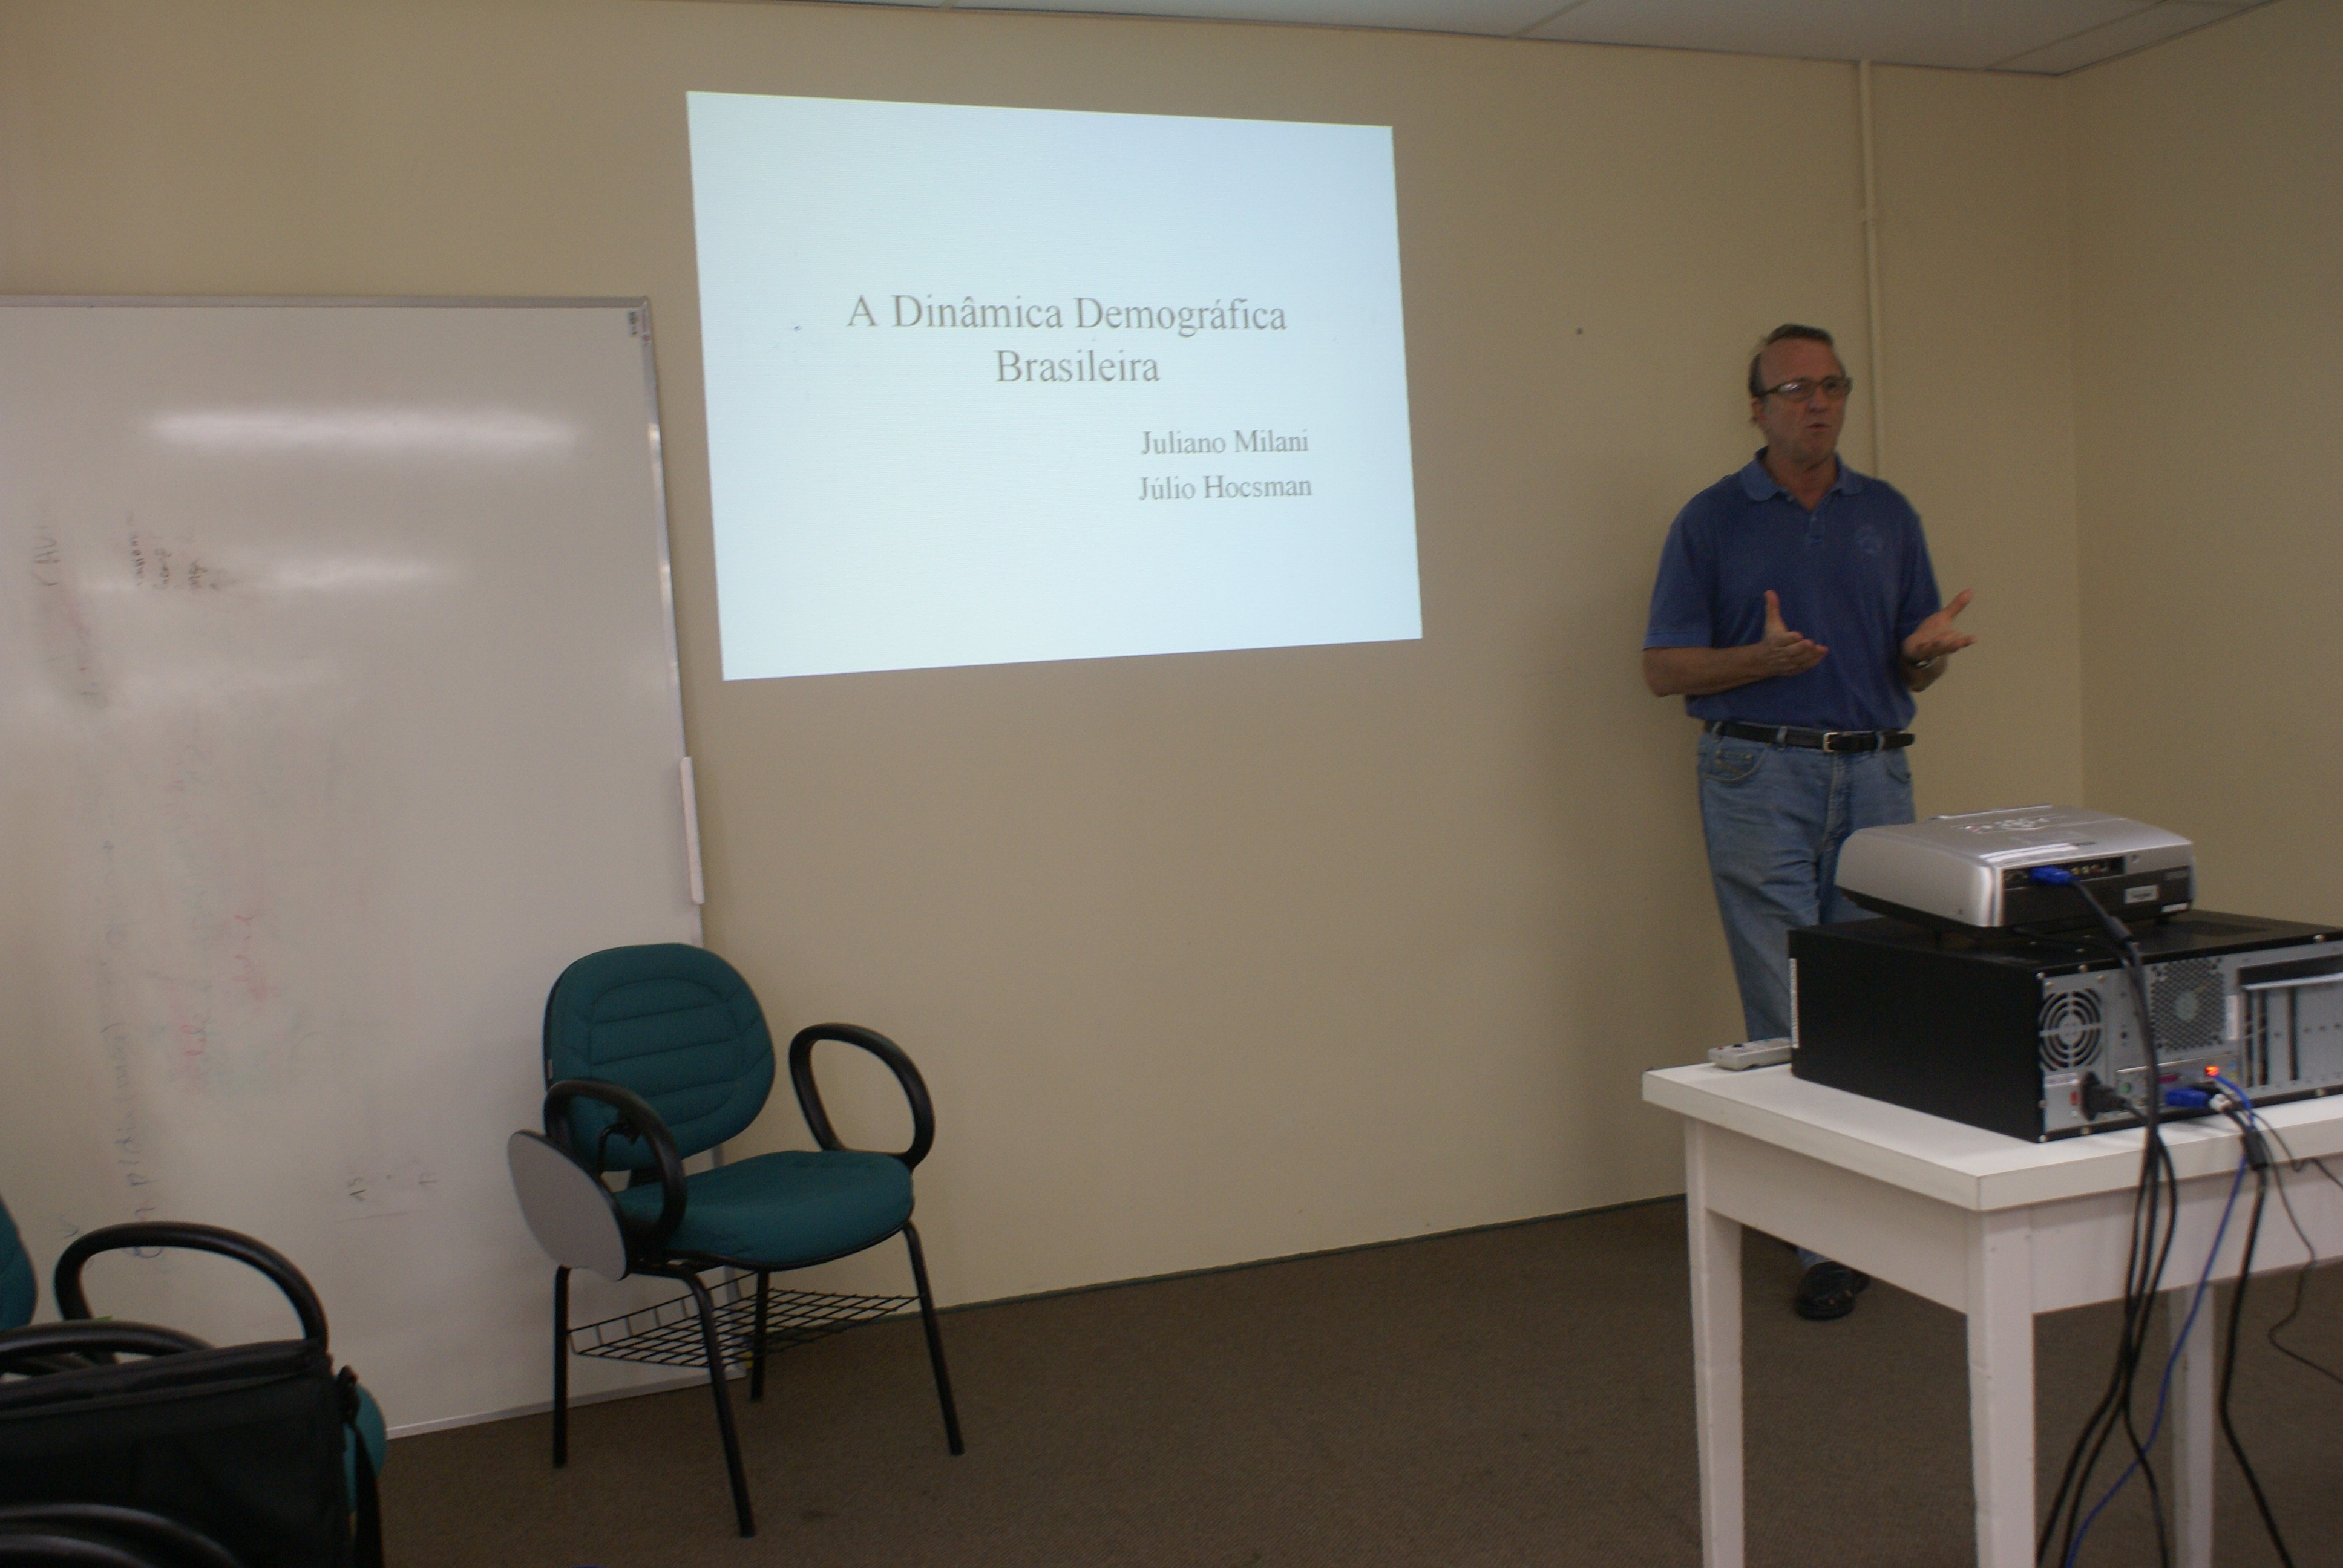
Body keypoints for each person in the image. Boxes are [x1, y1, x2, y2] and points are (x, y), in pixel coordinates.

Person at [1642, 324, 1974, 1320]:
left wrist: (1924, 655)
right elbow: (1662, 670)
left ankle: (1875, 1206)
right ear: (1757, 408)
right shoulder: (1712, 519)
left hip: (1876, 775)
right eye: (1794, 390)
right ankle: (1822, 1238)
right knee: (1788, 1006)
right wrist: (1763, 660)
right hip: (1759, 772)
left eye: (1832, 386)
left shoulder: (1888, 513)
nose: (1817, 403)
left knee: (1871, 1000)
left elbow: (1911, 661)